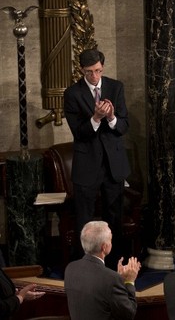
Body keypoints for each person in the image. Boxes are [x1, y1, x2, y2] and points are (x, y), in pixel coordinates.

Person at [63, 48, 131, 264]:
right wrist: (95, 117)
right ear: (82, 70)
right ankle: (85, 267)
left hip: (114, 165)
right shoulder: (73, 94)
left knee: (115, 218)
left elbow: (123, 126)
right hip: (87, 165)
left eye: (98, 71)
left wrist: (110, 117)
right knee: (85, 220)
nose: (95, 76)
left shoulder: (115, 87)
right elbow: (79, 133)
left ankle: (114, 266)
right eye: (90, 72)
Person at [64, 220, 141, 320]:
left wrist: (118, 279)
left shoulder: (70, 268)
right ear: (104, 247)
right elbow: (129, 314)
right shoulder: (110, 279)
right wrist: (129, 281)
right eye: (110, 240)